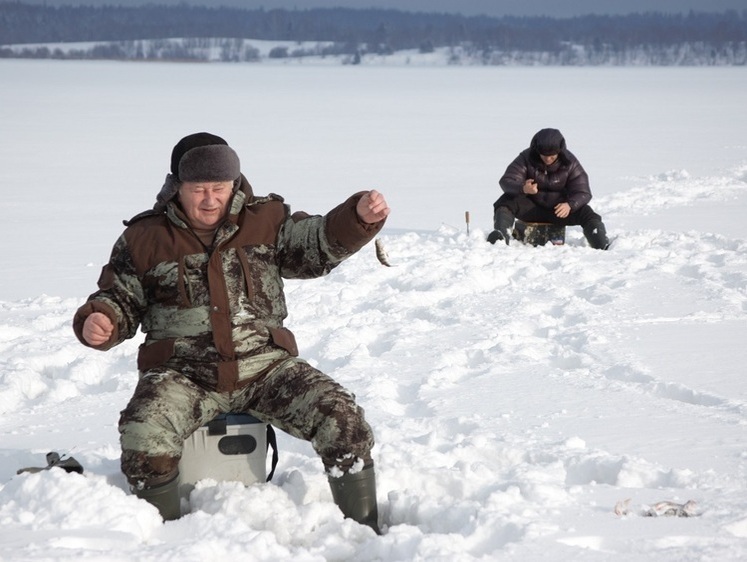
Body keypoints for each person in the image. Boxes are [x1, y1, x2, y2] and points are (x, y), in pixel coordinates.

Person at [72, 132, 390, 532]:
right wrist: (100, 319)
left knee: (344, 420)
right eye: (199, 189)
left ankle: (365, 532)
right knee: (143, 431)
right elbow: (120, 297)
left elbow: (318, 243)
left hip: (266, 369)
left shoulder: (267, 220)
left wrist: (358, 217)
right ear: (176, 187)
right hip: (182, 374)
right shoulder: (143, 238)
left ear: (235, 184)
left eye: (219, 188)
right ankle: (161, 540)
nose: (209, 200)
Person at [487, 128, 610, 249]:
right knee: (505, 201)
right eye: (544, 155)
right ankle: (501, 237)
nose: (548, 159)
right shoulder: (526, 157)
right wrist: (524, 188)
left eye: (552, 156)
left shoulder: (570, 162)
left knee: (587, 213)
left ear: (560, 151)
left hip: (559, 211)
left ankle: (601, 243)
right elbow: (507, 180)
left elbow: (583, 191)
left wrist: (570, 205)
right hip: (531, 208)